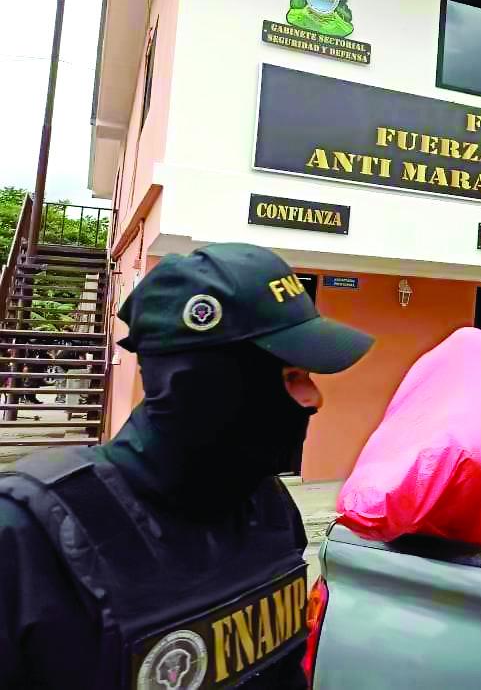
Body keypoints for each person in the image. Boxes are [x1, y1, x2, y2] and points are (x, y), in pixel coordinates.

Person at [0, 243, 375, 688]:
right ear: (204, 384)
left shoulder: (269, 505)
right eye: (292, 376)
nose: (314, 399)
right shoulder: (25, 537)